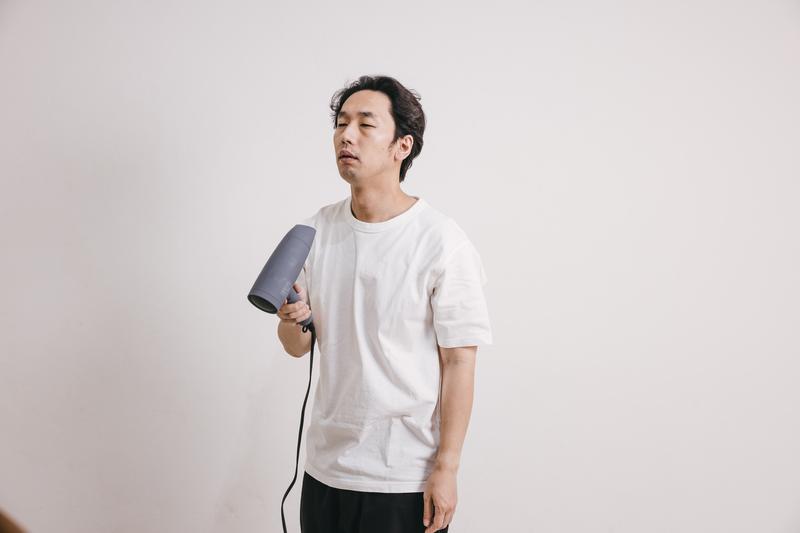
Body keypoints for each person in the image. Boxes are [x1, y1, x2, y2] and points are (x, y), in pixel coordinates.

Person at [276, 75, 492, 533]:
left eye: (365, 124)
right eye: (341, 123)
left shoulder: (441, 242)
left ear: (402, 146)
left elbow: (459, 362)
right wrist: (292, 319)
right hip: (325, 471)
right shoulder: (316, 231)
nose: (346, 135)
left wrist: (447, 467)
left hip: (404, 476)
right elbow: (297, 346)